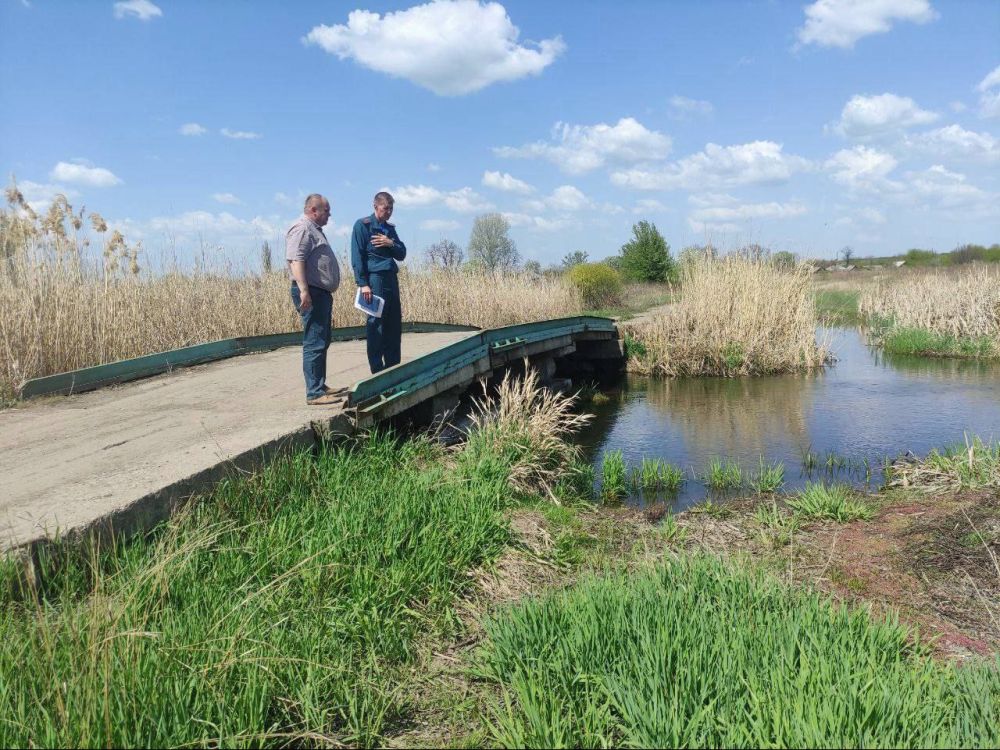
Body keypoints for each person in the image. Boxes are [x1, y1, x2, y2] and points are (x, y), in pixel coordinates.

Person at [286, 193, 343, 405]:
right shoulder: (302, 228)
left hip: (320, 293)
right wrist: (304, 291)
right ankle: (314, 393)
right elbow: (296, 260)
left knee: (322, 339)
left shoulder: (314, 229)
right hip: (311, 292)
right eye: (326, 211)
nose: (329, 215)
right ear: (313, 210)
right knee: (314, 341)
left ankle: (319, 384)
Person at [351, 191, 407, 373]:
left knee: (393, 324)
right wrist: (363, 284)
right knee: (376, 324)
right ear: (375, 207)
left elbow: (402, 253)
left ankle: (393, 367)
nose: (389, 212)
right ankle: (377, 370)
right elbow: (357, 257)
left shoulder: (390, 229)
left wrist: (390, 243)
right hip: (375, 281)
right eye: (385, 208)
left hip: (391, 279)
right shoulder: (363, 226)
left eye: (391, 209)